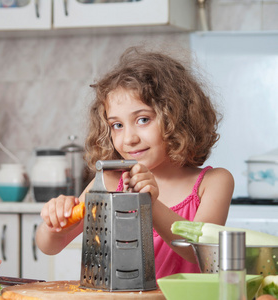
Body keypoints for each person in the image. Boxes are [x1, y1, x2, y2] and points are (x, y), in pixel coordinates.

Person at [35, 46, 234, 279]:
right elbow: (49, 246)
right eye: (117, 125)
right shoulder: (110, 182)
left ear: (177, 117)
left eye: (143, 119)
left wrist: (149, 203)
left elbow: (200, 253)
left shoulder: (213, 182)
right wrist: (55, 222)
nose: (129, 138)